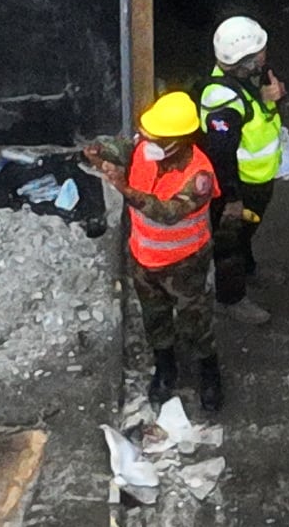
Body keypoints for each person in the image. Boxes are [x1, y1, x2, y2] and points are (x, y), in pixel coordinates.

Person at [81, 92, 225, 417]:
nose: (147, 142)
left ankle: (209, 374)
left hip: (186, 265)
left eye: (156, 138)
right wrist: (97, 150)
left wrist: (124, 188)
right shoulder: (145, 148)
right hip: (144, 260)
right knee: (154, 317)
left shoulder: (199, 176)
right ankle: (165, 369)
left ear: (178, 141)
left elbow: (168, 212)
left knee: (195, 321)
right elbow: (123, 147)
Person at [197, 15, 288, 308]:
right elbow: (221, 158)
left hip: (257, 181)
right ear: (245, 61)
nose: (265, 56)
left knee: (246, 232)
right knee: (229, 243)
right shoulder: (222, 104)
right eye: (259, 52)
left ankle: (248, 271)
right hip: (239, 186)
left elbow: (256, 109)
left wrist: (272, 96)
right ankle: (232, 298)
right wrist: (232, 198)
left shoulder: (245, 79)